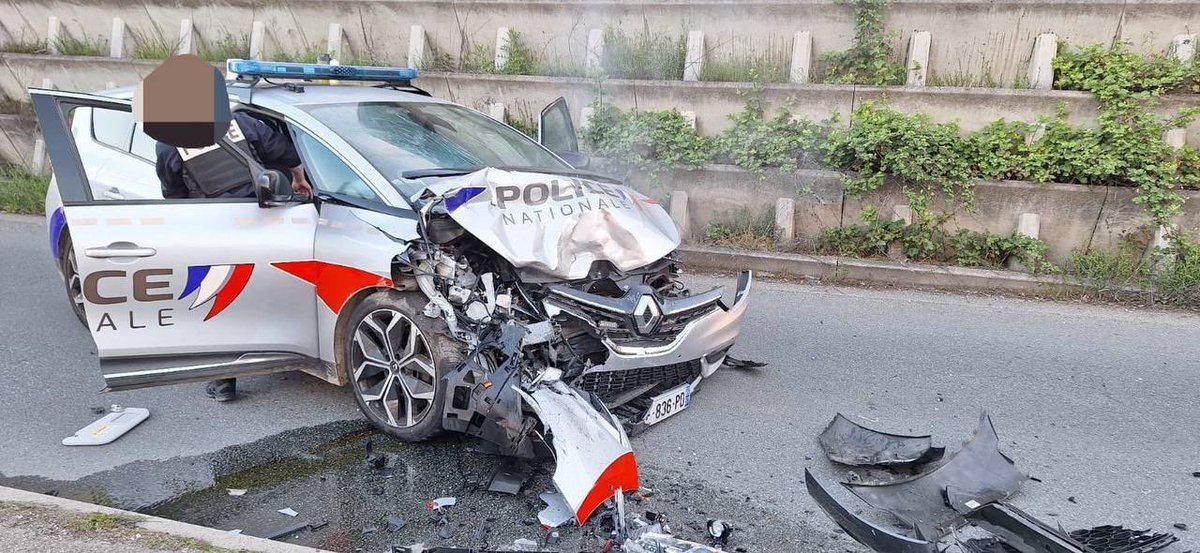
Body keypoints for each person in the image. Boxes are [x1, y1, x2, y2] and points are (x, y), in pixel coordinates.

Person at [154, 112, 313, 402]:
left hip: (214, 228)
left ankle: (224, 379)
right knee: (270, 286)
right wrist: (298, 179)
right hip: (262, 218)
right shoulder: (241, 123)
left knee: (218, 298)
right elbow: (288, 154)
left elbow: (173, 196)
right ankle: (287, 349)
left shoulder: (168, 142)